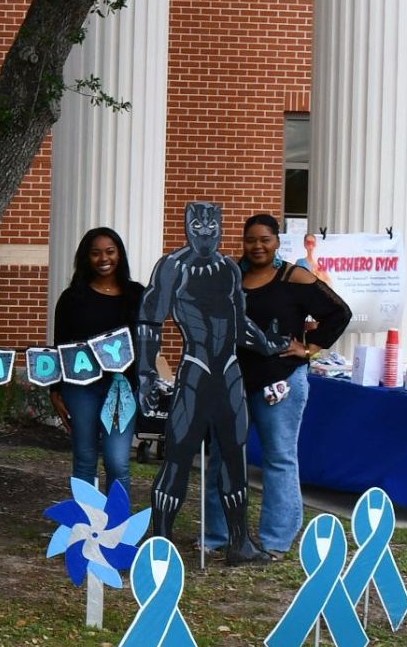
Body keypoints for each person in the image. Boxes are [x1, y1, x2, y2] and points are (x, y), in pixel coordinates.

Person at [138, 202, 291, 566]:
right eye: (198, 224)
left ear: (220, 227)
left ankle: (240, 542)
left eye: (212, 225)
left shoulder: (228, 269)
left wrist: (268, 344)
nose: (205, 231)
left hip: (230, 372)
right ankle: (161, 542)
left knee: (235, 457)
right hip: (195, 369)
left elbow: (238, 321)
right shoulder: (173, 266)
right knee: (177, 456)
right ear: (189, 226)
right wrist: (146, 374)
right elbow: (149, 320)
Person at [204, 213, 351, 555]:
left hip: (281, 383)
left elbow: (338, 313)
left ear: (276, 242)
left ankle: (276, 540)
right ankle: (218, 536)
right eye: (250, 240)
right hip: (233, 380)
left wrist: (310, 348)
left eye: (264, 240)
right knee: (223, 458)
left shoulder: (293, 276)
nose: (257, 246)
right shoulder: (231, 277)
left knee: (279, 458)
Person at [50, 227, 146, 494]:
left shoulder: (137, 295)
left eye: (110, 252)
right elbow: (60, 347)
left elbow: (149, 342)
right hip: (81, 388)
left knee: (117, 462)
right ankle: (85, 529)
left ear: (120, 255)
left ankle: (119, 530)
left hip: (121, 389)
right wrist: (55, 390)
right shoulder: (72, 298)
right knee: (85, 459)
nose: (104, 258)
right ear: (86, 258)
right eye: (95, 253)